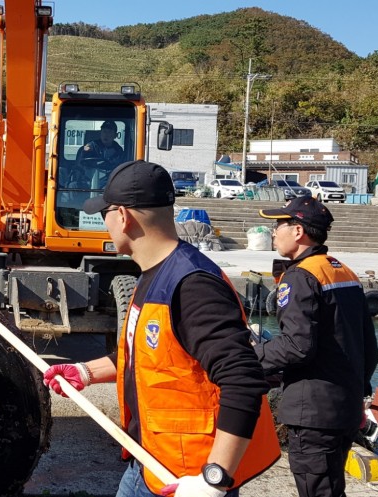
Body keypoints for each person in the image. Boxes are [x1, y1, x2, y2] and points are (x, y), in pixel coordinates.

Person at [43, 160, 279, 497]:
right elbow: (150, 357)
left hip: (188, 479)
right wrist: (85, 371)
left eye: (105, 214)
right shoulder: (152, 275)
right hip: (150, 463)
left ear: (122, 216)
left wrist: (214, 479)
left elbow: (243, 381)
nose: (104, 223)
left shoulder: (192, 284)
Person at [257, 196, 378, 497]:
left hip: (313, 413)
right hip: (345, 409)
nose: (274, 232)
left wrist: (249, 356)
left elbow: (297, 346)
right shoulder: (344, 272)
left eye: (278, 225)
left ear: (298, 231)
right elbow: (371, 350)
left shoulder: (299, 277)